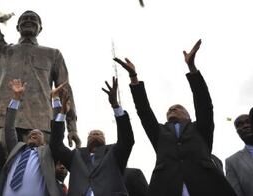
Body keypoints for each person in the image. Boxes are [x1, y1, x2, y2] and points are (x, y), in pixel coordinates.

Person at [115, 39, 236, 196]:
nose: (172, 108)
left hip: (207, 187)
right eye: (170, 109)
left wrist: (192, 68)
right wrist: (133, 76)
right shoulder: (159, 132)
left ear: (189, 116)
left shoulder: (200, 129)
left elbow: (204, 103)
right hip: (166, 188)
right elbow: (144, 111)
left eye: (178, 108)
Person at [0, 0, 80, 147]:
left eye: (33, 19)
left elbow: (65, 91)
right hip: (2, 121)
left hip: (41, 124)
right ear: (17, 27)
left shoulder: (53, 54)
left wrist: (72, 127)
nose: (28, 20)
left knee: (36, 171)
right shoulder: (4, 50)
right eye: (24, 19)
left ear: (40, 28)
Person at [50, 76, 134, 195]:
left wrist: (115, 105)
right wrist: (62, 112)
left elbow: (127, 139)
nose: (95, 133)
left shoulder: (114, 153)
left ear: (105, 140)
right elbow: (55, 145)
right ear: (87, 139)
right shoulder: (76, 155)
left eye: (99, 133)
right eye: (92, 134)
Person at [0, 79, 62, 196]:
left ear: (44, 142)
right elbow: (9, 127)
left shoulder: (48, 152)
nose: (33, 133)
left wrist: (56, 99)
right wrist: (16, 98)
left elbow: (57, 131)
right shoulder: (16, 150)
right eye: (31, 133)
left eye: (38, 133)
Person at [225, 113, 253, 196]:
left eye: (248, 122)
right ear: (237, 132)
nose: (245, 126)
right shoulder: (232, 162)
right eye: (239, 125)